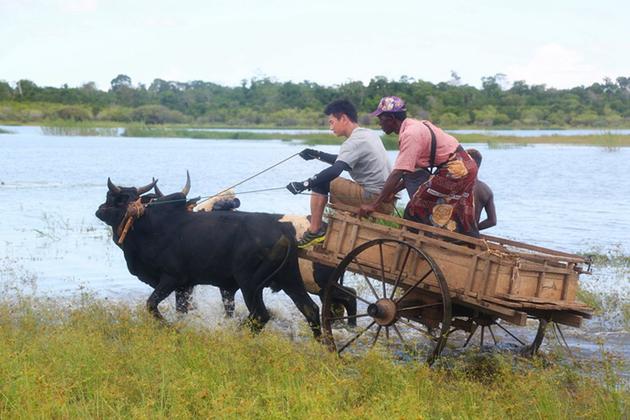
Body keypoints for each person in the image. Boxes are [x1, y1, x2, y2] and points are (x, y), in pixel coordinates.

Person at [359, 96, 479, 237]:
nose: (380, 124)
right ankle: (470, 244)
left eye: (381, 119)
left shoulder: (410, 134)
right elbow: (409, 171)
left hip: (455, 168)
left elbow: (398, 172)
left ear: (391, 118)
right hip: (467, 165)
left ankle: (422, 246)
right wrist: (394, 191)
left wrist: (374, 204)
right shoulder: (415, 126)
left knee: (414, 208)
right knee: (461, 209)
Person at [287, 99, 394, 248]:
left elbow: (336, 169)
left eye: (331, 122)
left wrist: (305, 184)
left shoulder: (353, 142)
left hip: (374, 199)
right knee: (322, 179)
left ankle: (314, 230)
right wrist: (317, 154)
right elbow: (343, 160)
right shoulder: (367, 135)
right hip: (385, 198)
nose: (330, 127)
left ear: (343, 118)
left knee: (322, 181)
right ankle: (319, 227)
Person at [466, 148, 496, 230]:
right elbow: (492, 221)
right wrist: (473, 231)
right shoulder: (486, 190)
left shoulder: (455, 185)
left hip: (450, 235)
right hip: (471, 236)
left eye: (463, 161)